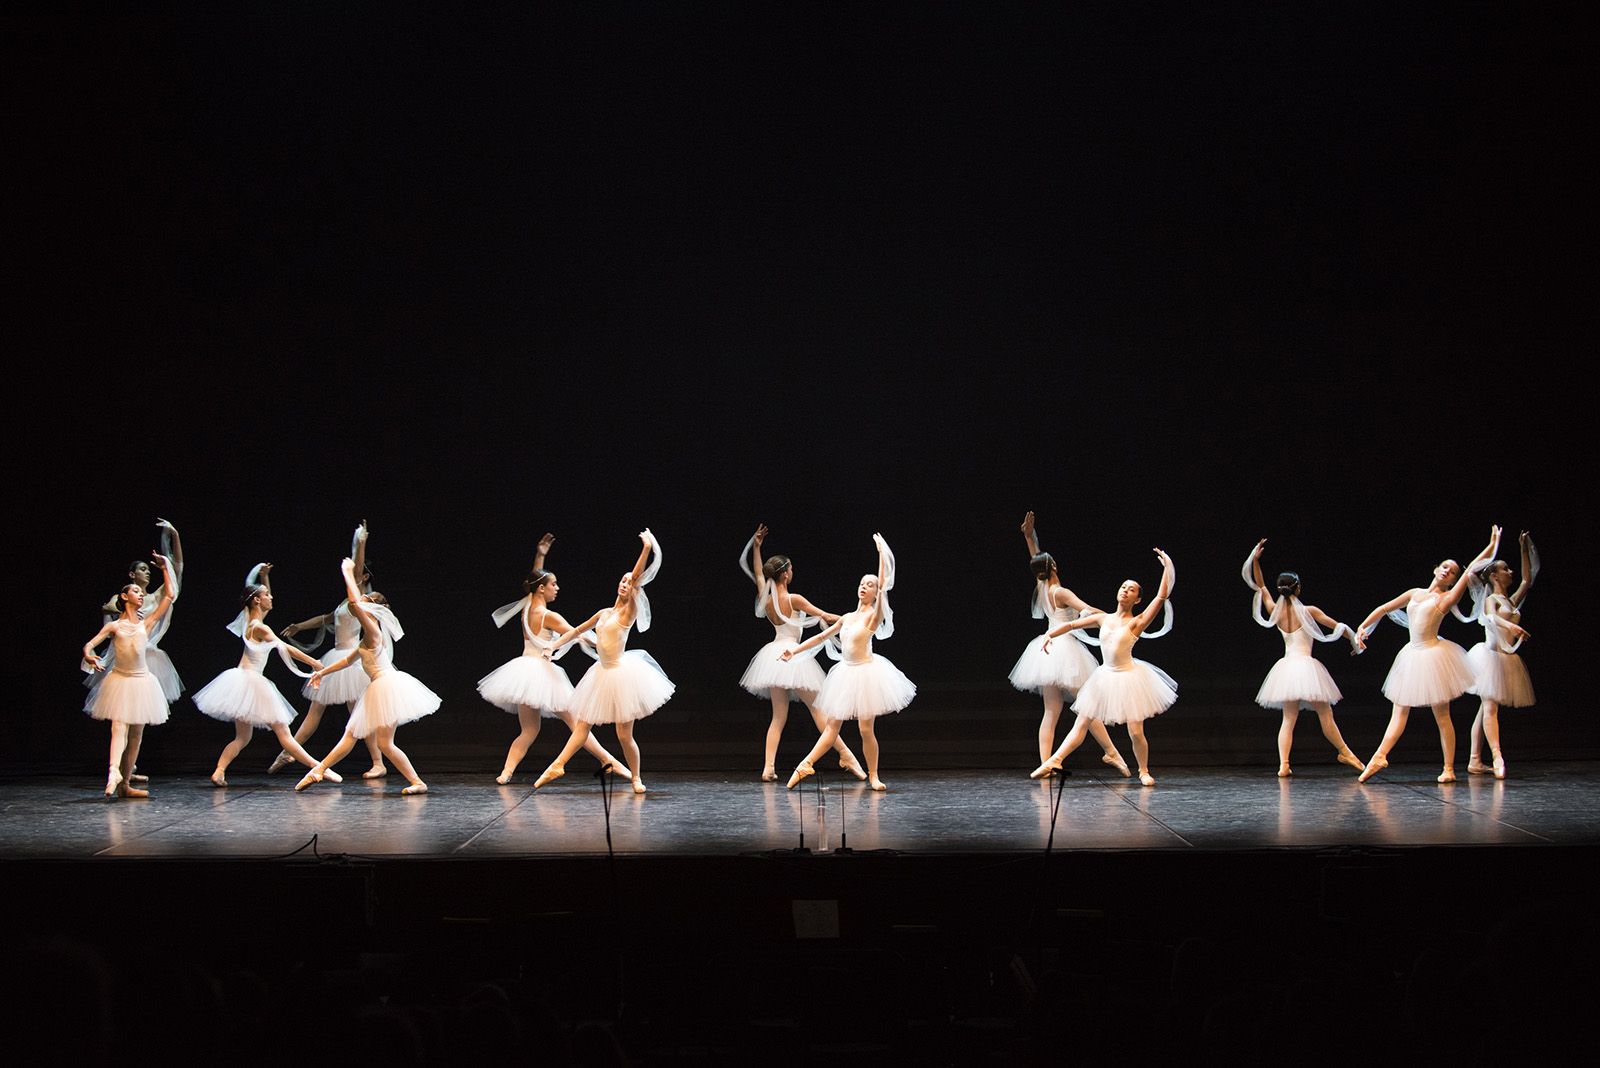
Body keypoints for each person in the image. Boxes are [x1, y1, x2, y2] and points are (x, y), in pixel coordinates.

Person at [479, 532, 632, 784]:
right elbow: (578, 634)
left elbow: (534, 580)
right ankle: (609, 762)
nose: (557, 588)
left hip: (522, 672)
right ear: (542, 588)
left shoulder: (528, 606)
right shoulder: (550, 616)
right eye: (554, 584)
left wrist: (540, 555)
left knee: (529, 730)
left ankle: (506, 773)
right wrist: (606, 643)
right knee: (577, 724)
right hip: (543, 673)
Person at [1354, 527, 1500, 783]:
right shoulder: (1415, 593)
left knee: (1442, 716)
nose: (1447, 571)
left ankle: (1449, 768)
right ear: (1435, 569)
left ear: (1453, 580)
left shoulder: (1446, 599)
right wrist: (1362, 628)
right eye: (1444, 567)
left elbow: (1471, 570)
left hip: (1433, 657)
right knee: (1399, 710)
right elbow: (1384, 608)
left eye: (1452, 572)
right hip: (1411, 655)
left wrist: (1491, 547)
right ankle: (1380, 756)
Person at [533, 531, 673, 794]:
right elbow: (576, 631)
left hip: (621, 674)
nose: (625, 583)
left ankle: (636, 777)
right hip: (601, 673)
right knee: (582, 724)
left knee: (624, 735)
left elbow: (637, 578)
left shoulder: (628, 612)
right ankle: (558, 765)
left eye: (629, 582)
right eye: (622, 580)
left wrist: (645, 549)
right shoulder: (604, 613)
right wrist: (553, 644)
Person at [1029, 550, 1176, 787]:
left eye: (1131, 589)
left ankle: (1143, 770)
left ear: (1138, 600)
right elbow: (1072, 624)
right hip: (1104, 677)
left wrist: (1168, 568)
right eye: (1123, 587)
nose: (1125, 590)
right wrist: (1050, 635)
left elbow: (1160, 597)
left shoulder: (1137, 622)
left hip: (1129, 677)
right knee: (1082, 722)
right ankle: (1053, 761)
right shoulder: (1103, 619)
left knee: (1136, 732)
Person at [782, 534, 914, 793]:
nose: (864, 587)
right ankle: (804, 765)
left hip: (866, 674)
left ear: (875, 592)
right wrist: (794, 651)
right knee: (831, 727)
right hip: (846, 674)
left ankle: (873, 775)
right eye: (862, 583)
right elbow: (821, 637)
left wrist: (881, 556)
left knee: (866, 729)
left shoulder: (872, 616)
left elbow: (884, 587)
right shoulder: (848, 617)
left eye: (870, 585)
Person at [297, 558, 438, 795]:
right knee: (381, 742)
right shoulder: (366, 638)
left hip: (386, 686)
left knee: (359, 736)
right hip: (379, 687)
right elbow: (346, 660)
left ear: (371, 609)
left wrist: (347, 573)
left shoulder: (373, 631)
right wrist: (321, 672)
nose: (359, 602)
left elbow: (354, 602)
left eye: (365, 600)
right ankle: (417, 782)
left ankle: (318, 770)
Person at [739, 524, 867, 782]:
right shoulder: (793, 599)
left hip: (773, 656)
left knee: (778, 717)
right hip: (793, 654)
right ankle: (847, 756)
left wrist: (757, 548)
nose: (792, 572)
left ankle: (768, 768)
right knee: (819, 710)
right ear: (785, 574)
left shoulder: (766, 599)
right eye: (791, 569)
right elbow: (825, 616)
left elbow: (758, 573)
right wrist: (853, 618)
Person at [1010, 512, 1130, 777]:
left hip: (1046, 650)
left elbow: (1036, 559)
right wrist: (1112, 619)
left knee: (1051, 712)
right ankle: (1111, 752)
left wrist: (1029, 537)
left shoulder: (1041, 587)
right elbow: (1088, 611)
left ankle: (1046, 763)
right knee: (1087, 706)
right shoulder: (1061, 592)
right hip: (1065, 649)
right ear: (1053, 567)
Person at [192, 571, 333, 786]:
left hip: (241, 681)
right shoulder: (260, 627)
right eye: (267, 594)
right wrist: (313, 662)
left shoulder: (251, 622)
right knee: (284, 734)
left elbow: (265, 606)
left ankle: (219, 771)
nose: (271, 597)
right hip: (252, 682)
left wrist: (265, 578)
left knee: (242, 738)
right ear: (257, 600)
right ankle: (320, 768)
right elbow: (283, 647)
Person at [268, 522, 386, 779]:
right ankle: (288, 752)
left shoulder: (360, 601)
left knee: (357, 713)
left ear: (364, 578)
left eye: (358, 574)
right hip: (338, 656)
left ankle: (378, 762)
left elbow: (356, 571)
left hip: (353, 659)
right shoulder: (345, 603)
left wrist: (361, 543)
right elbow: (326, 618)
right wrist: (299, 626)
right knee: (317, 709)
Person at [1243, 539, 1365, 777]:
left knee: (1288, 719)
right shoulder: (1309, 611)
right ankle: (1345, 752)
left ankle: (1284, 765)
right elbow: (1338, 627)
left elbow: (1261, 586)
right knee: (1325, 714)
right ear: (1297, 589)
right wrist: (1355, 640)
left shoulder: (1275, 611)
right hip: (1307, 668)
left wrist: (1255, 561)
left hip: (1286, 669)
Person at [84, 519, 185, 785]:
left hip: (146, 661)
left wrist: (173, 538)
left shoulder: (152, 600)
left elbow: (176, 574)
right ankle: (117, 770)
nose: (147, 574)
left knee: (138, 720)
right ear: (131, 578)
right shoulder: (124, 600)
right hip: (124, 660)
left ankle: (126, 773)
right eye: (142, 570)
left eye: (148, 571)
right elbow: (109, 614)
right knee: (121, 719)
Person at [1464, 531, 1537, 779]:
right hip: (1490, 658)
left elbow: (1527, 579)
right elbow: (1491, 618)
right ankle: (1497, 756)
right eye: (1506, 569)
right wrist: (1512, 627)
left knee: (1485, 709)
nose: (1510, 572)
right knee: (1490, 708)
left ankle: (1474, 759)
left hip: (1506, 659)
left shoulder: (1511, 601)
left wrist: (1523, 548)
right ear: (1494, 576)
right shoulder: (1491, 599)